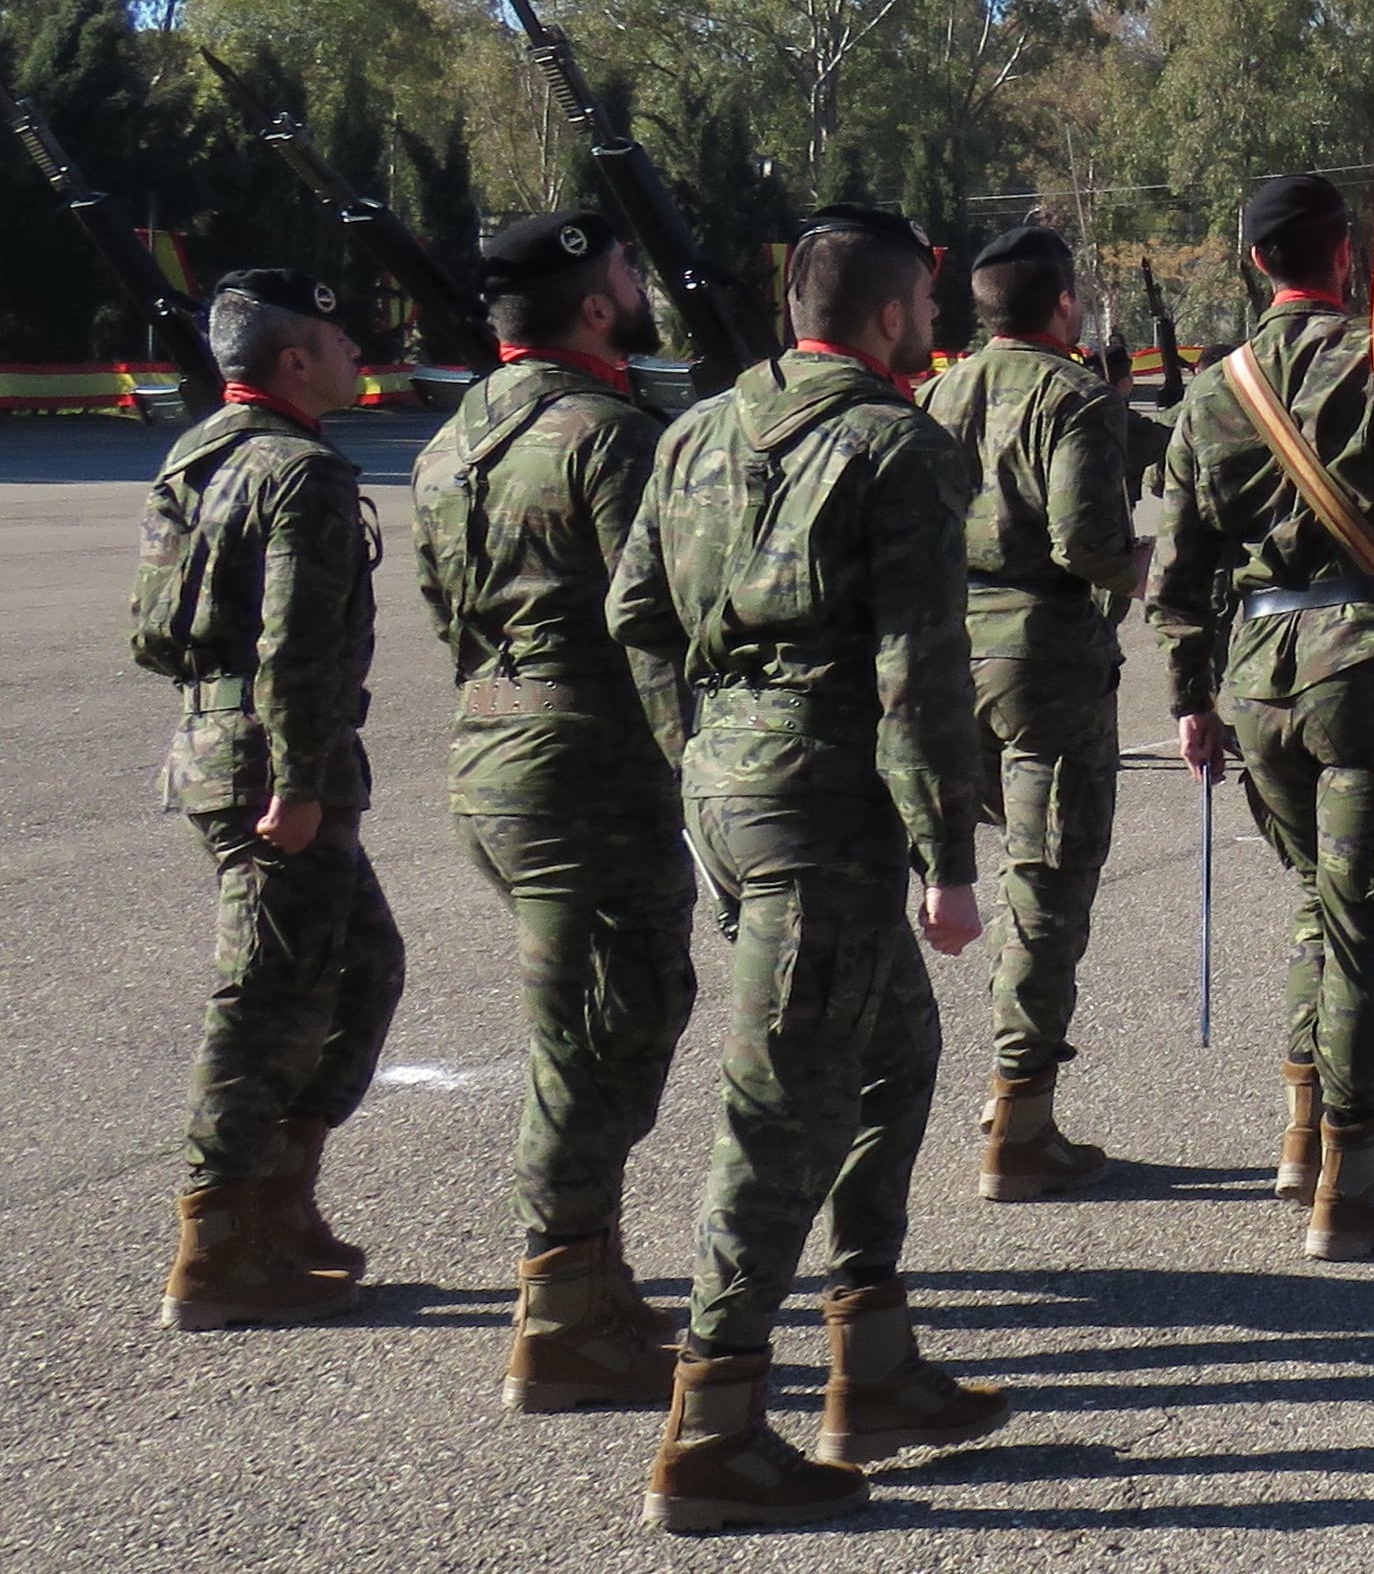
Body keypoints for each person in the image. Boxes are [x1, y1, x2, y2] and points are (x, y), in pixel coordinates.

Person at [610, 206, 1006, 1533]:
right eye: (922, 311)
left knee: (893, 1052)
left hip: (734, 792)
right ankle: (711, 1429)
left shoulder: (694, 428)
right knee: (781, 1110)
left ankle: (872, 1365)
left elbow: (634, 616)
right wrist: (948, 856)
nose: (931, 330)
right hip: (823, 812)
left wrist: (699, 752)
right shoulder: (897, 444)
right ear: (892, 315)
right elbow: (918, 671)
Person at [407, 213, 692, 1412]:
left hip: (494, 747)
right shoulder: (612, 437)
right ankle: (563, 1308)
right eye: (626, 268)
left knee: (610, 1012)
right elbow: (657, 618)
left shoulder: (449, 438)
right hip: (591, 767)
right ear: (591, 305)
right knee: (596, 1031)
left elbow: (443, 606)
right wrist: (705, 767)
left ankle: (584, 1272)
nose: (639, 280)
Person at [1150, 172, 1374, 1262]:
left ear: (1251, 264)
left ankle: (1297, 1136)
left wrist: (1188, 698)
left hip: (1259, 670)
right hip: (1361, 661)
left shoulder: (1211, 390)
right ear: (1344, 253)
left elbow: (1179, 566)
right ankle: (1349, 1188)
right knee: (1363, 924)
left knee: (1318, 907)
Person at [131, 268, 403, 1331]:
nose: (357, 357)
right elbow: (295, 646)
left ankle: (280, 1200)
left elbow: (152, 629)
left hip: (214, 738)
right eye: (341, 340)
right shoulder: (302, 474)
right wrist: (294, 778)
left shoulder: (196, 454)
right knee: (265, 998)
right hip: (274, 761)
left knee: (362, 963)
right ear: (296, 358)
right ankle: (216, 1243)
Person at [922, 225, 1146, 1203]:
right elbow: (1087, 541)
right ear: (1062, 306)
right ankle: (1020, 1118)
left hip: (943, 654)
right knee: (1046, 889)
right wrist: (1152, 567)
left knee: (970, 869)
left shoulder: (936, 392)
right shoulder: (1071, 397)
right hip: (1042, 666)